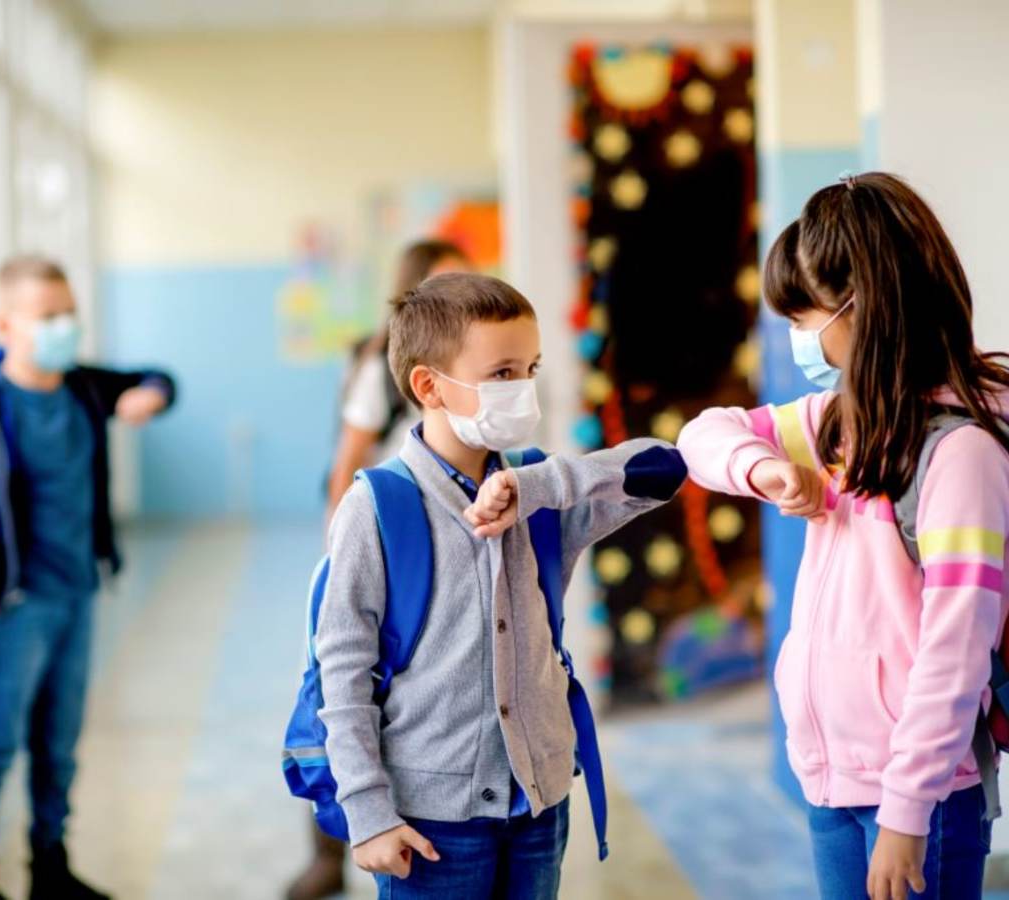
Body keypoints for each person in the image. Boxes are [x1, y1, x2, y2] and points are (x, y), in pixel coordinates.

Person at [677, 172, 1009, 900]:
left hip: (919, 800)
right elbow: (701, 436)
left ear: (868, 308)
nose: (800, 336)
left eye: (808, 314)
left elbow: (957, 649)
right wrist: (764, 470)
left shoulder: (960, 455)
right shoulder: (836, 422)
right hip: (832, 779)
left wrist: (907, 810)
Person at [316, 272, 686, 898]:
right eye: (502, 373)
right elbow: (343, 669)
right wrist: (369, 813)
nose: (523, 389)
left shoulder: (541, 489)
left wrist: (537, 488)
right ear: (429, 386)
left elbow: (664, 466)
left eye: (530, 368)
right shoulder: (374, 508)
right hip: (429, 822)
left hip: (539, 806)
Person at [0, 256, 176, 900]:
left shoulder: (82, 386)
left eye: (70, 313)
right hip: (9, 603)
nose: (64, 327)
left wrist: (151, 393)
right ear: (6, 324)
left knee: (59, 743)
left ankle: (50, 866)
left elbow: (159, 379)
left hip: (76, 592)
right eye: (48, 316)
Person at [287, 238, 470, 900]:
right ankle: (329, 846)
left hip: (446, 553)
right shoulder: (379, 362)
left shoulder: (474, 369)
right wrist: (347, 561)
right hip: (388, 546)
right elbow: (348, 460)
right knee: (345, 691)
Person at [325, 239, 470, 513]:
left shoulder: (470, 362)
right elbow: (347, 463)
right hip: (397, 515)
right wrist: (340, 544)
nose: (459, 298)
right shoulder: (381, 368)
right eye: (445, 286)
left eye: (466, 283)